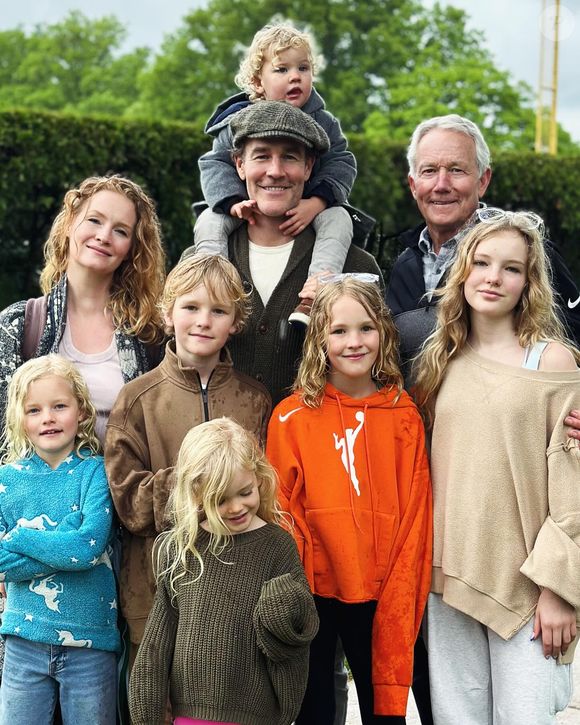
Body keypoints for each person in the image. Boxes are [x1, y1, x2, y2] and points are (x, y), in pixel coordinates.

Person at [413, 209, 580, 725]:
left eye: (511, 268)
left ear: (529, 282)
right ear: (462, 271)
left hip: (528, 585)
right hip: (447, 576)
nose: (493, 277)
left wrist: (560, 589)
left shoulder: (551, 361)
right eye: (482, 263)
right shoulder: (439, 361)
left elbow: (572, 486)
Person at [267, 277, 432, 724]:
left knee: (384, 711)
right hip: (313, 591)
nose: (354, 342)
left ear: (384, 332)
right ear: (319, 339)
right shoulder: (291, 417)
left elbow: (415, 516)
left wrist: (398, 588)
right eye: (339, 331)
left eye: (366, 328)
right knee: (313, 710)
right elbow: (281, 512)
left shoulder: (403, 415)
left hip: (380, 592)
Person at [105, 254, 271, 666]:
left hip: (238, 598)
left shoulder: (255, 400)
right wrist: (203, 481)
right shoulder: (137, 400)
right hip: (156, 594)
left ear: (235, 322)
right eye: (191, 307)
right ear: (168, 314)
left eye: (218, 311)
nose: (203, 321)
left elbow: (267, 497)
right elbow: (129, 503)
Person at [190, 100, 382, 407]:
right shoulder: (197, 264)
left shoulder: (354, 266)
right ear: (239, 164)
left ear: (308, 167)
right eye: (262, 156)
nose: (275, 171)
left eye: (289, 157)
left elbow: (379, 373)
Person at [128, 417, 319, 725]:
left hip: (255, 717)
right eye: (220, 500)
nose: (236, 507)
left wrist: (284, 609)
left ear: (258, 477)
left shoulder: (277, 546)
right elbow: (155, 647)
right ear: (196, 494)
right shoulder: (183, 548)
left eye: (245, 492)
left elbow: (298, 635)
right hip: (190, 716)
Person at [386, 114, 580, 375]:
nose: (441, 185)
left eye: (456, 170)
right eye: (429, 171)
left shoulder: (527, 252)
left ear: (483, 180)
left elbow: (572, 342)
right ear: (413, 185)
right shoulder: (405, 263)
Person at [194, 22, 357, 326]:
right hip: (244, 205)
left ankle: (316, 295)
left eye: (303, 68)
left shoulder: (323, 121)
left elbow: (341, 161)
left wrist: (318, 201)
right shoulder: (237, 120)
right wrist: (232, 202)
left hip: (309, 204)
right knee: (208, 221)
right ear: (258, 82)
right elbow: (215, 163)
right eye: (282, 70)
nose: (295, 76)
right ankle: (212, 287)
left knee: (340, 219)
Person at [0, 174, 166, 443]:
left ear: (131, 250)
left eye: (121, 231)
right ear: (69, 224)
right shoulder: (17, 327)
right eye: (94, 220)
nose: (104, 236)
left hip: (124, 471)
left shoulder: (149, 335)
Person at [0, 355, 120, 724]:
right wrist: (65, 533)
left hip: (91, 642)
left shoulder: (95, 472)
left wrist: (19, 536)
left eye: (59, 406)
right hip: (24, 641)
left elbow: (86, 549)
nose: (47, 418)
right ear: (20, 418)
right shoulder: (6, 481)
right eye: (34, 410)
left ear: (81, 411)